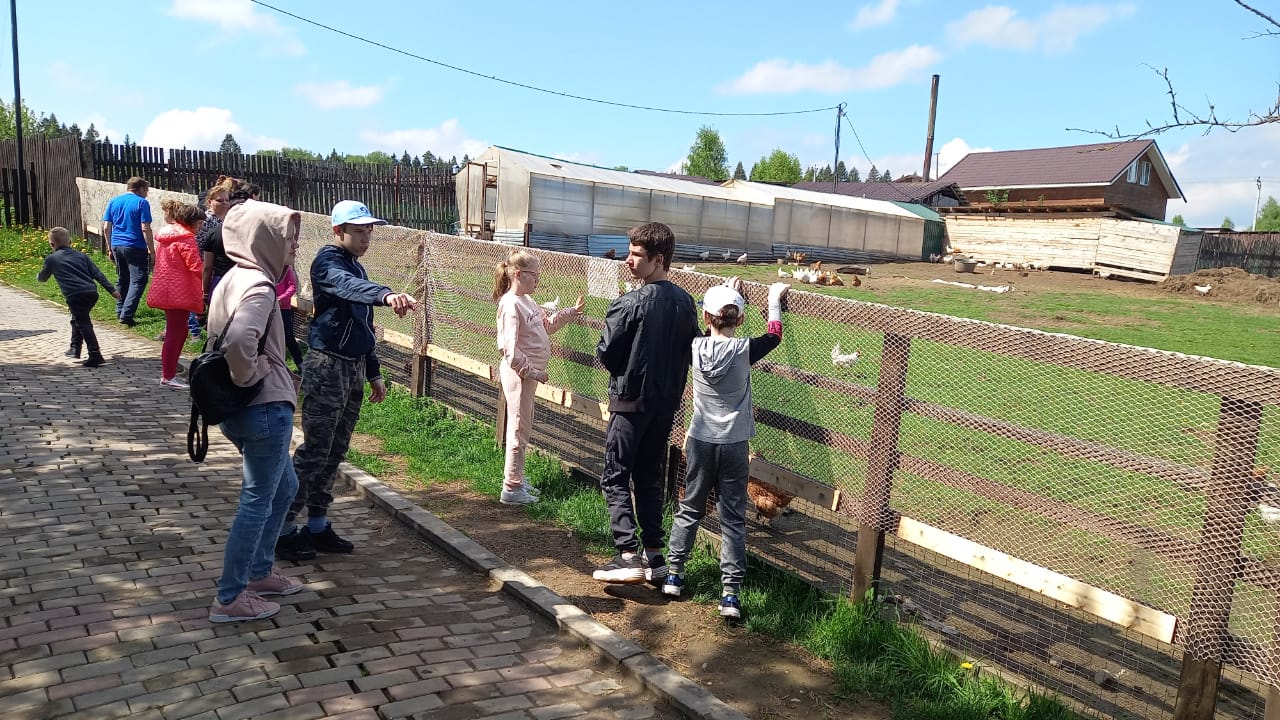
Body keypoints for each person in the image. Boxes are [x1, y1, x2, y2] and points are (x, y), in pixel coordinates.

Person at [276, 200, 416, 562]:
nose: (366, 236)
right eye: (359, 230)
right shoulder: (327, 263)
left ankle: (318, 525)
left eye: (369, 230)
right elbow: (347, 287)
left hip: (353, 368)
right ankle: (282, 528)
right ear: (338, 231)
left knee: (336, 451)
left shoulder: (357, 267)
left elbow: (363, 325)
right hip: (326, 367)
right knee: (315, 452)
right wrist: (386, 294)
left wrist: (374, 372)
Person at [662, 279, 789, 620]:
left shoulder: (694, 347)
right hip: (734, 444)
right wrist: (773, 299)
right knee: (732, 518)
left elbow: (699, 325)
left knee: (690, 507)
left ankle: (674, 575)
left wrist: (728, 292)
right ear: (742, 321)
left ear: (706, 318)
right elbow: (774, 334)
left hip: (700, 439)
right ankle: (730, 595)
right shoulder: (745, 349)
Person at [206, 197, 307, 623]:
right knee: (258, 500)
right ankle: (231, 597)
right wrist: (254, 375)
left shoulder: (234, 277)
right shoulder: (261, 287)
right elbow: (239, 341)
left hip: (244, 409)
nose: (294, 247)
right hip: (263, 409)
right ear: (262, 239)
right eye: (288, 239)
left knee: (284, 489)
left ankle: (260, 572)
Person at [592, 222, 699, 585]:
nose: (628, 260)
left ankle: (626, 554)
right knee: (649, 477)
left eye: (636, 255)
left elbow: (607, 353)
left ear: (658, 259)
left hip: (629, 401)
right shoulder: (686, 304)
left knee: (615, 474)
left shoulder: (628, 303)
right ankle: (655, 557)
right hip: (666, 404)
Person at [493, 250, 583, 506]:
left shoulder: (527, 301)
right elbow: (509, 350)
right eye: (534, 275)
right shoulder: (510, 305)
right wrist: (533, 372)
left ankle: (517, 478)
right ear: (519, 274)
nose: (538, 280)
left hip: (528, 376)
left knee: (524, 425)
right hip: (520, 376)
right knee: (519, 428)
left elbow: (545, 326)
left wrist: (568, 313)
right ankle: (511, 488)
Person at [36, 227, 120, 368]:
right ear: (70, 241)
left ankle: (95, 354)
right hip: (91, 293)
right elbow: (97, 274)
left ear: (52, 244)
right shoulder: (82, 256)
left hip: (75, 295)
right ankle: (75, 348)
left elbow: (43, 277)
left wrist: (38, 276)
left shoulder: (52, 259)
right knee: (77, 319)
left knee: (83, 322)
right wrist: (112, 290)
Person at [146, 200, 205, 389]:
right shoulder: (185, 238)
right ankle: (168, 375)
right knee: (176, 333)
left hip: (168, 289)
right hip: (179, 291)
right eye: (199, 223)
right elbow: (196, 266)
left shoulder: (167, 236)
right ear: (191, 222)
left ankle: (169, 371)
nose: (201, 227)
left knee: (178, 331)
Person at [101, 176, 154, 327]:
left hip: (117, 244)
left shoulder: (114, 201)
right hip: (135, 245)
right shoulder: (141, 202)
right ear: (141, 188)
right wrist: (152, 250)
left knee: (122, 278)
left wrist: (110, 247)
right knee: (139, 280)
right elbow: (145, 227)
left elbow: (106, 227)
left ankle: (119, 310)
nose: (147, 193)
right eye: (146, 190)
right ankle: (127, 314)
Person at [276, 263, 304, 367]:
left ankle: (300, 362)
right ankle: (277, 364)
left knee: (288, 336)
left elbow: (292, 287)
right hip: (269, 307)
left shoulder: (286, 269)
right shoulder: (267, 267)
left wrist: (281, 298)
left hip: (283, 308)